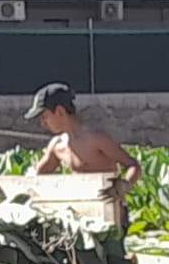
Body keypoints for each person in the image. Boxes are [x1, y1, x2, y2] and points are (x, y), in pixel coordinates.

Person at [26, 82, 143, 225]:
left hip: (110, 216)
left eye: (45, 116)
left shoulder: (96, 139)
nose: (43, 123)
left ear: (60, 111)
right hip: (81, 218)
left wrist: (123, 185)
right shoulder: (57, 146)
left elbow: (133, 165)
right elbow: (37, 177)